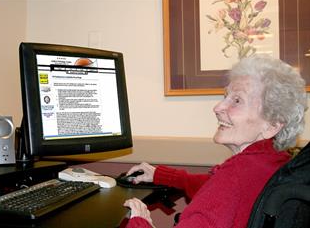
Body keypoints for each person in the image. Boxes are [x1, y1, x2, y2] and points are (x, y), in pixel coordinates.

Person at [123, 55, 308, 228]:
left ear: (272, 125)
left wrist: (140, 222)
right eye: (225, 96)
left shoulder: (236, 174)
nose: (218, 107)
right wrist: (165, 176)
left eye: (237, 100)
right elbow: (220, 192)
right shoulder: (272, 161)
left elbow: (226, 189)